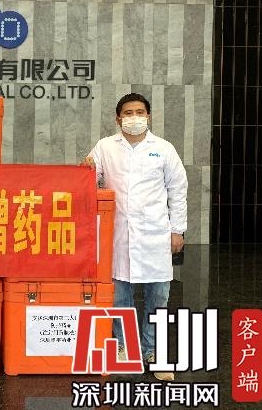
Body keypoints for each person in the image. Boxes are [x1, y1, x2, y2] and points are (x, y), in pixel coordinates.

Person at [81, 93, 187, 381]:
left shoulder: (163, 149)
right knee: (119, 295)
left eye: (140, 112)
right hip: (118, 234)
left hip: (155, 234)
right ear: (118, 119)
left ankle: (154, 352)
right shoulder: (105, 146)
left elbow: (178, 190)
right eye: (128, 113)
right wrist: (88, 168)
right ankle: (124, 347)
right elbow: (91, 182)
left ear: (148, 116)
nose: (134, 117)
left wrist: (177, 229)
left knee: (158, 296)